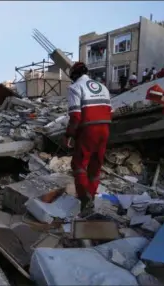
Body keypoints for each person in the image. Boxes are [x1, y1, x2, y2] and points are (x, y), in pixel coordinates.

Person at [63, 62, 112, 215]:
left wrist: (68, 135)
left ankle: (84, 199)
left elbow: (76, 115)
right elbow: (109, 110)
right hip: (105, 128)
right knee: (95, 164)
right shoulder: (102, 87)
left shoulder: (75, 88)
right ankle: (91, 194)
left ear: (74, 75)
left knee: (79, 164)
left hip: (88, 129)